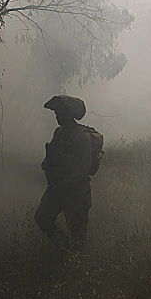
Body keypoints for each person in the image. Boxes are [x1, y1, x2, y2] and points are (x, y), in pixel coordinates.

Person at [35, 95, 93, 245]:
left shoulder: (83, 137)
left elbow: (82, 171)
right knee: (42, 217)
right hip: (57, 188)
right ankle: (63, 249)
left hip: (76, 193)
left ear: (68, 113)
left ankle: (78, 262)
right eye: (55, 113)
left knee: (78, 235)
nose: (56, 116)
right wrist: (46, 164)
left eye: (59, 113)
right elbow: (52, 155)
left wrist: (62, 185)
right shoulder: (58, 133)